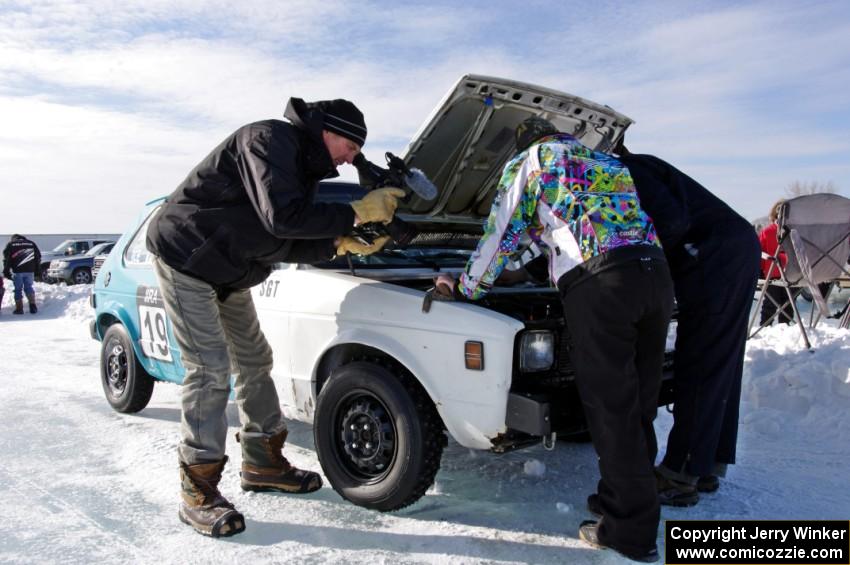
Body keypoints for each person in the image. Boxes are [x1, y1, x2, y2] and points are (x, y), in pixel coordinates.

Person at [146, 97, 403, 538]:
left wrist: (339, 242)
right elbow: (281, 218)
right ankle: (198, 492)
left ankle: (262, 464)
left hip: (229, 265)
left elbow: (280, 238)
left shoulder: (301, 169)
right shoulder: (268, 140)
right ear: (328, 130)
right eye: (351, 146)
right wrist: (355, 212)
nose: (350, 159)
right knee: (210, 368)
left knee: (255, 360)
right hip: (186, 255)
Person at [436, 117, 673, 562]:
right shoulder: (604, 161)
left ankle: (629, 534)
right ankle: (619, 499)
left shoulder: (534, 160)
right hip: (654, 275)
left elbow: (501, 232)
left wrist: (466, 287)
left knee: (611, 406)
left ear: (524, 143)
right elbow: (562, 225)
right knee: (637, 400)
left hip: (603, 284)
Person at [615, 143, 760, 507]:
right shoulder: (646, 165)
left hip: (711, 255)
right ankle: (707, 463)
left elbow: (671, 223)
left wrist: (643, 260)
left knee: (700, 363)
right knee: (720, 363)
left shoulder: (628, 171)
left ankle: (679, 475)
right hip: (733, 248)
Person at [758, 199, 794, 325]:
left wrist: (761, 272)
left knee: (769, 305)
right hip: (792, 274)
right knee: (788, 305)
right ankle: (786, 327)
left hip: (772, 275)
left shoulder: (767, 232)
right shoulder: (796, 233)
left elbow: (760, 253)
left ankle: (765, 327)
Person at [3, 234, 41, 314]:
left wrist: (6, 271)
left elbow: (7, 259)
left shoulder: (11, 244)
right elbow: (38, 257)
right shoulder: (31, 243)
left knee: (18, 290)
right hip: (30, 271)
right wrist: (38, 270)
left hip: (18, 271)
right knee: (29, 287)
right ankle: (33, 306)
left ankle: (19, 309)